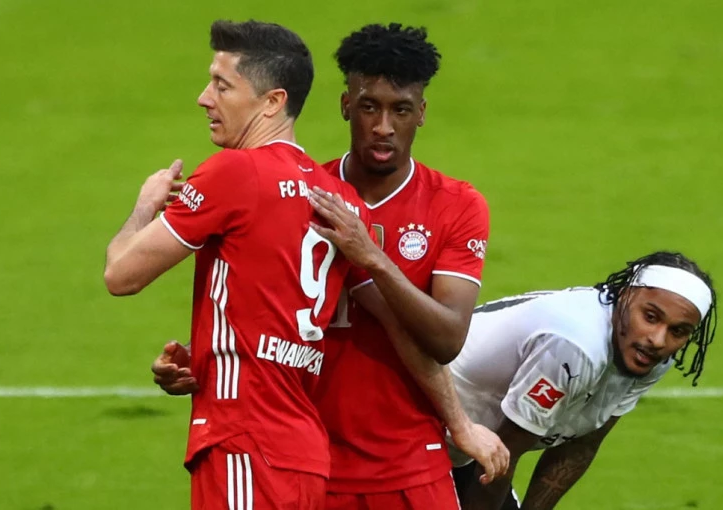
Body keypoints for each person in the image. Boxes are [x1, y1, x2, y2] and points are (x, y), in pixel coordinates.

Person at [153, 23, 507, 510]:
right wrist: (201, 361)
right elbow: (258, 313)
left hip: (411, 464)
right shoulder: (296, 193)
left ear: (421, 113)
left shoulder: (456, 205)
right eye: (369, 107)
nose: (383, 127)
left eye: (401, 110)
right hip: (311, 462)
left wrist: (373, 258)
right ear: (345, 106)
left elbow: (446, 339)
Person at [104, 19, 376, 510]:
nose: (204, 98)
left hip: (243, 441)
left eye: (221, 85)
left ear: (272, 102)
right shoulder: (341, 199)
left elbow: (120, 275)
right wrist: (211, 352)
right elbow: (284, 309)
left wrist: (145, 206)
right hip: (304, 455)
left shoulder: (235, 172)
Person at [448, 251, 718, 510]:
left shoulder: (647, 356)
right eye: (650, 317)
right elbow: (508, 448)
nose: (658, 340)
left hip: (473, 447)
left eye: (678, 331)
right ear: (625, 294)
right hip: (429, 426)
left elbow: (582, 445)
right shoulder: (576, 345)